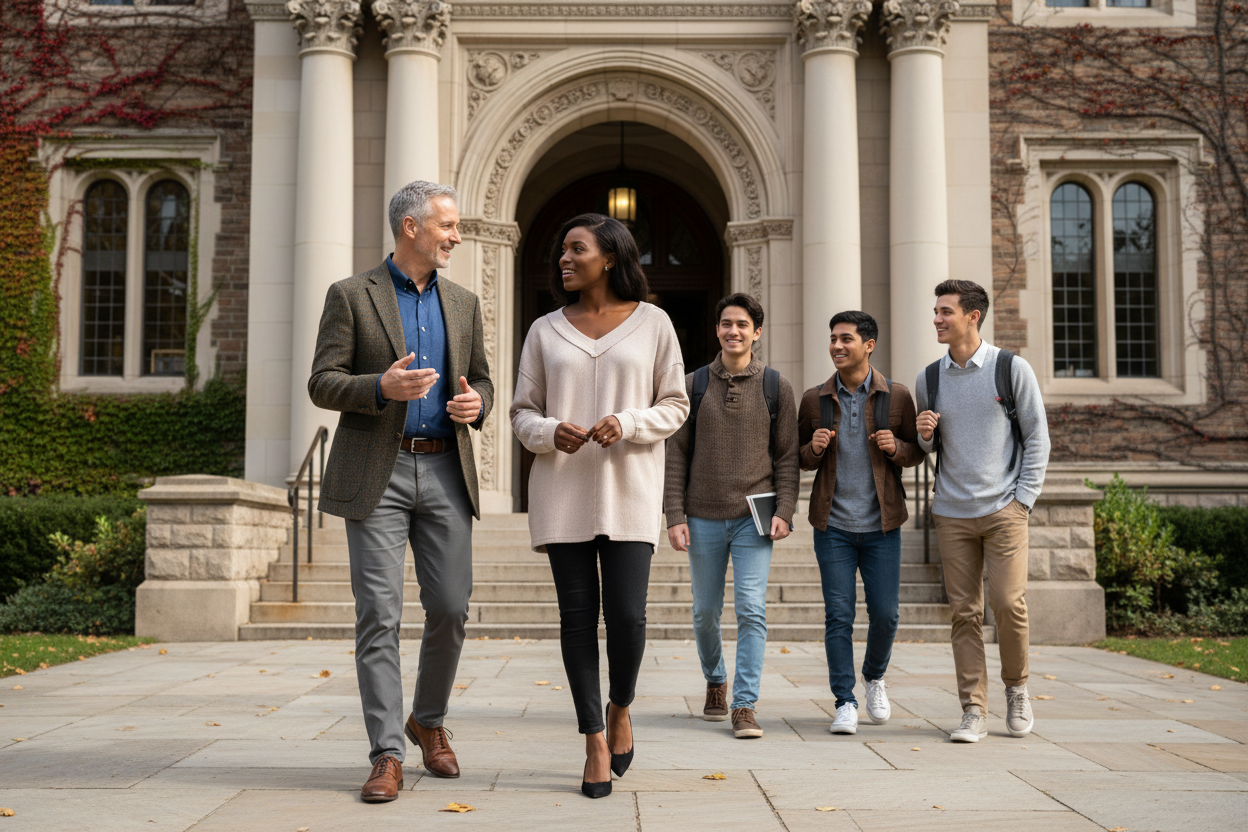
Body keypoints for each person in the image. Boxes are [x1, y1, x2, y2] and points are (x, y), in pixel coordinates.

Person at [308, 181, 493, 802]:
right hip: (377, 474)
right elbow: (322, 382)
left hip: (445, 469)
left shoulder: (464, 303)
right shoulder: (351, 295)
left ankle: (428, 720)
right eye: (447, 226)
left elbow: (485, 381)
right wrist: (379, 389)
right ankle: (387, 752)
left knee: (450, 607)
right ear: (410, 227)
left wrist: (478, 403)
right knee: (379, 616)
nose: (457, 236)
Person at [510, 213, 688, 799]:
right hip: (562, 493)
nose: (563, 258)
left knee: (630, 617)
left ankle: (620, 707)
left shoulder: (655, 323)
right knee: (577, 621)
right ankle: (591, 737)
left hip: (632, 490)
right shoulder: (543, 330)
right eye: (562, 250)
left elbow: (676, 405)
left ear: (609, 257)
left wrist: (630, 421)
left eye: (575, 249)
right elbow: (521, 412)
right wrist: (547, 431)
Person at [914, 279, 1050, 743]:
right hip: (951, 512)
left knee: (1009, 604)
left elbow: (1037, 438)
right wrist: (925, 433)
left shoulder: (1011, 369)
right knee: (964, 613)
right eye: (936, 311)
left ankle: (1017, 690)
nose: (937, 318)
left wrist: (1023, 500)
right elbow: (929, 448)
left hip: (1004, 511)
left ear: (973, 316)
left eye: (945, 311)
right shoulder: (929, 378)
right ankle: (973, 708)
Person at [663, 293, 799, 739]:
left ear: (756, 332)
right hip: (701, 515)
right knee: (704, 612)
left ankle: (744, 704)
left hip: (753, 519)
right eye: (726, 324)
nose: (733, 331)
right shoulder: (692, 384)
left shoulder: (776, 386)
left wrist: (785, 510)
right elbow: (675, 455)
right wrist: (674, 514)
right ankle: (716, 679)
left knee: (751, 610)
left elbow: (786, 458)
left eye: (742, 324)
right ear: (717, 330)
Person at [798, 311, 924, 735]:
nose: (836, 346)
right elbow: (796, 455)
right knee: (839, 614)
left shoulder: (898, 397)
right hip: (831, 524)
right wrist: (812, 450)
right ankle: (844, 700)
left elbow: (918, 451)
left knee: (886, 614)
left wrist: (897, 448)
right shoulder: (815, 399)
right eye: (833, 338)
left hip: (882, 526)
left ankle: (874, 676)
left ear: (868, 345)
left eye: (845, 339)